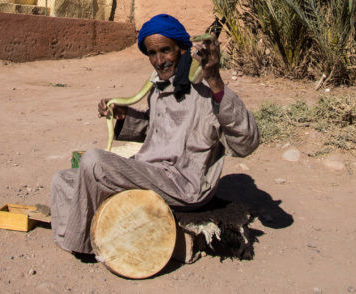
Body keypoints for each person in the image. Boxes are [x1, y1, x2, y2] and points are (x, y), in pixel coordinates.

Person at [49, 14, 260, 256]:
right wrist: (123, 117)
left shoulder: (208, 93)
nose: (159, 61)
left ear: (182, 49)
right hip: (152, 172)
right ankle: (82, 235)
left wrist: (215, 81)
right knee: (63, 180)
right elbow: (157, 131)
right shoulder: (160, 90)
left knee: (94, 162)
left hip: (184, 183)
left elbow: (246, 143)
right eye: (152, 53)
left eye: (165, 51)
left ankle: (85, 246)